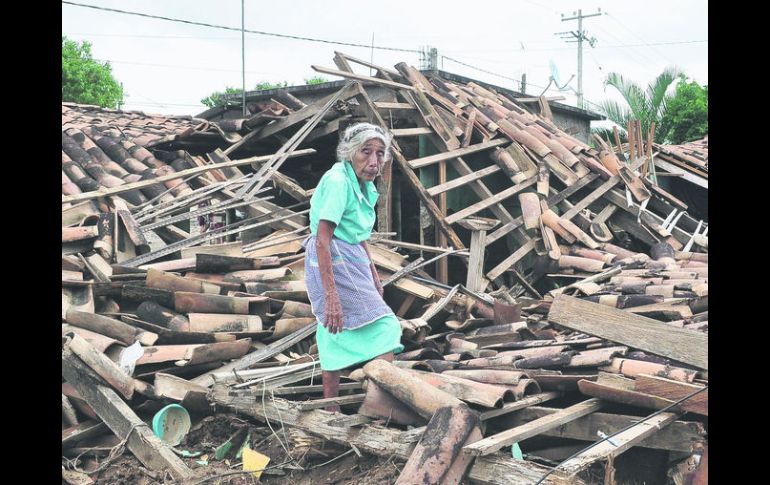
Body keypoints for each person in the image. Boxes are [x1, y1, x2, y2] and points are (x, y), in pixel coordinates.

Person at [303, 122, 404, 411]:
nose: (373, 162)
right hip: (331, 257)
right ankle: (380, 405)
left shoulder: (363, 184)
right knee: (386, 327)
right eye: (366, 152)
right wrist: (331, 294)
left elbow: (358, 235)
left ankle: (331, 405)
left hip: (352, 259)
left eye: (380, 154)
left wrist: (373, 273)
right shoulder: (338, 182)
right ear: (350, 153)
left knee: (333, 328)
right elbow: (322, 239)